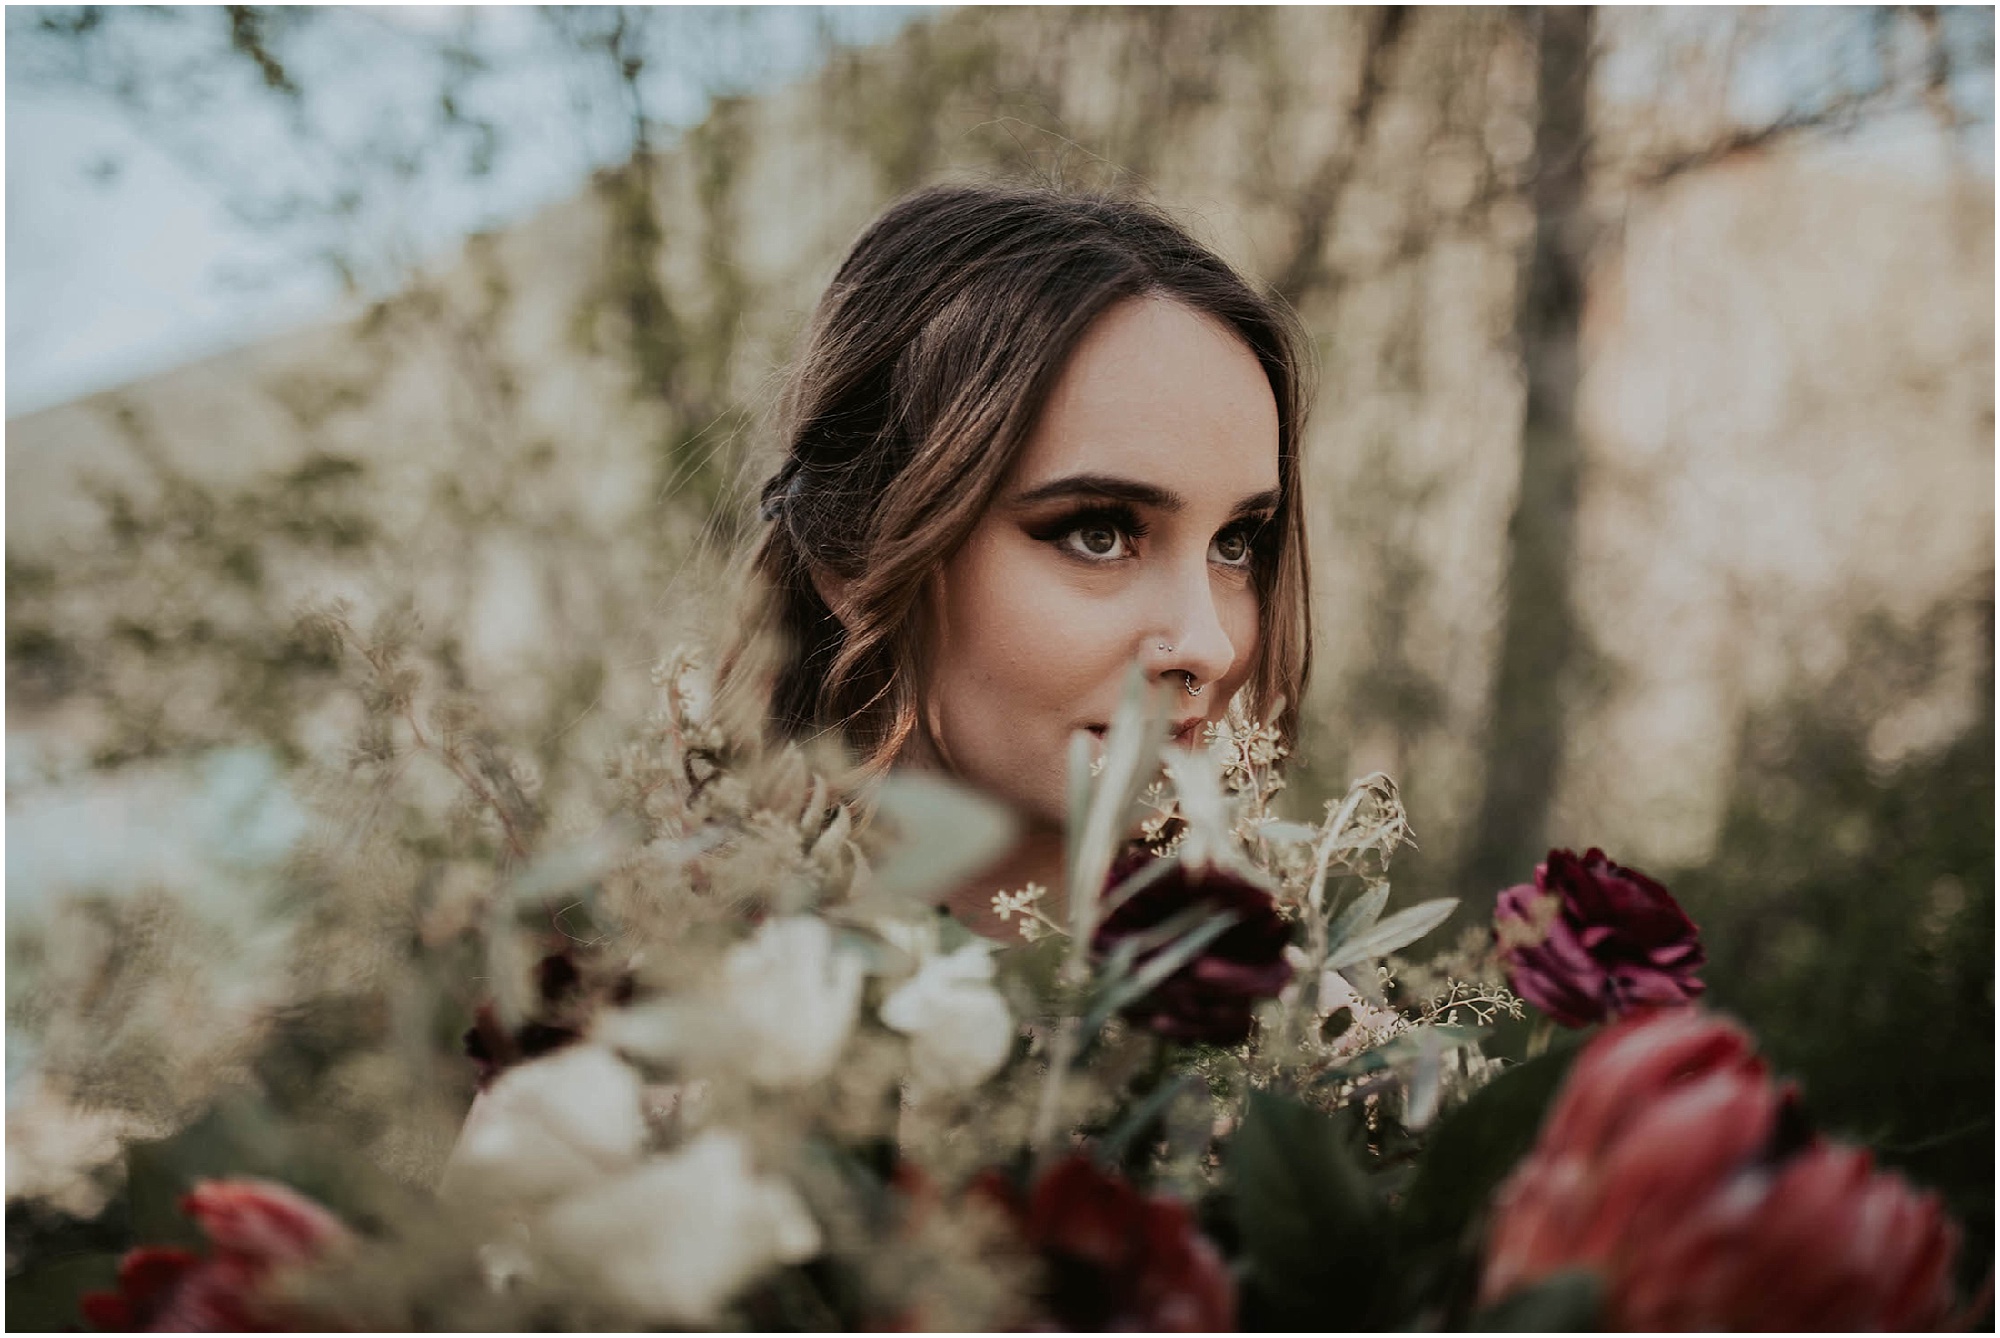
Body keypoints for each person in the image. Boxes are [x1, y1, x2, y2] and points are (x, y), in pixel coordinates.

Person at [723, 183, 1316, 934]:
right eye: (1098, 534)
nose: (1208, 645)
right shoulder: (612, 1008)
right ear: (860, 557)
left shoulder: (1323, 1034)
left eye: (1235, 544)